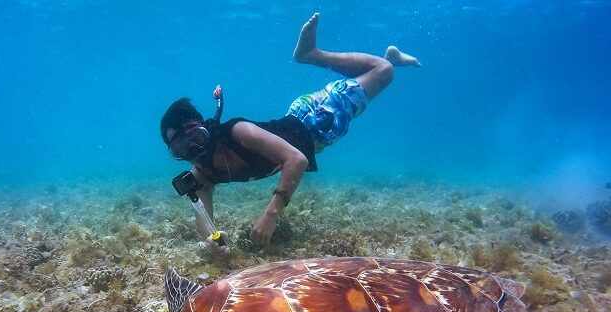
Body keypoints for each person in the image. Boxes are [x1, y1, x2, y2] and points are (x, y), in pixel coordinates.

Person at [161, 13, 420, 258]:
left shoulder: (237, 132)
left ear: (207, 128)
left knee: (384, 72)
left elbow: (296, 160)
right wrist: (212, 241)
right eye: (182, 150)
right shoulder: (203, 174)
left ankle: (311, 54)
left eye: (196, 139)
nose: (194, 152)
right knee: (375, 77)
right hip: (308, 126)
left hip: (316, 119)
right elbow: (203, 217)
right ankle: (391, 57)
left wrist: (271, 214)